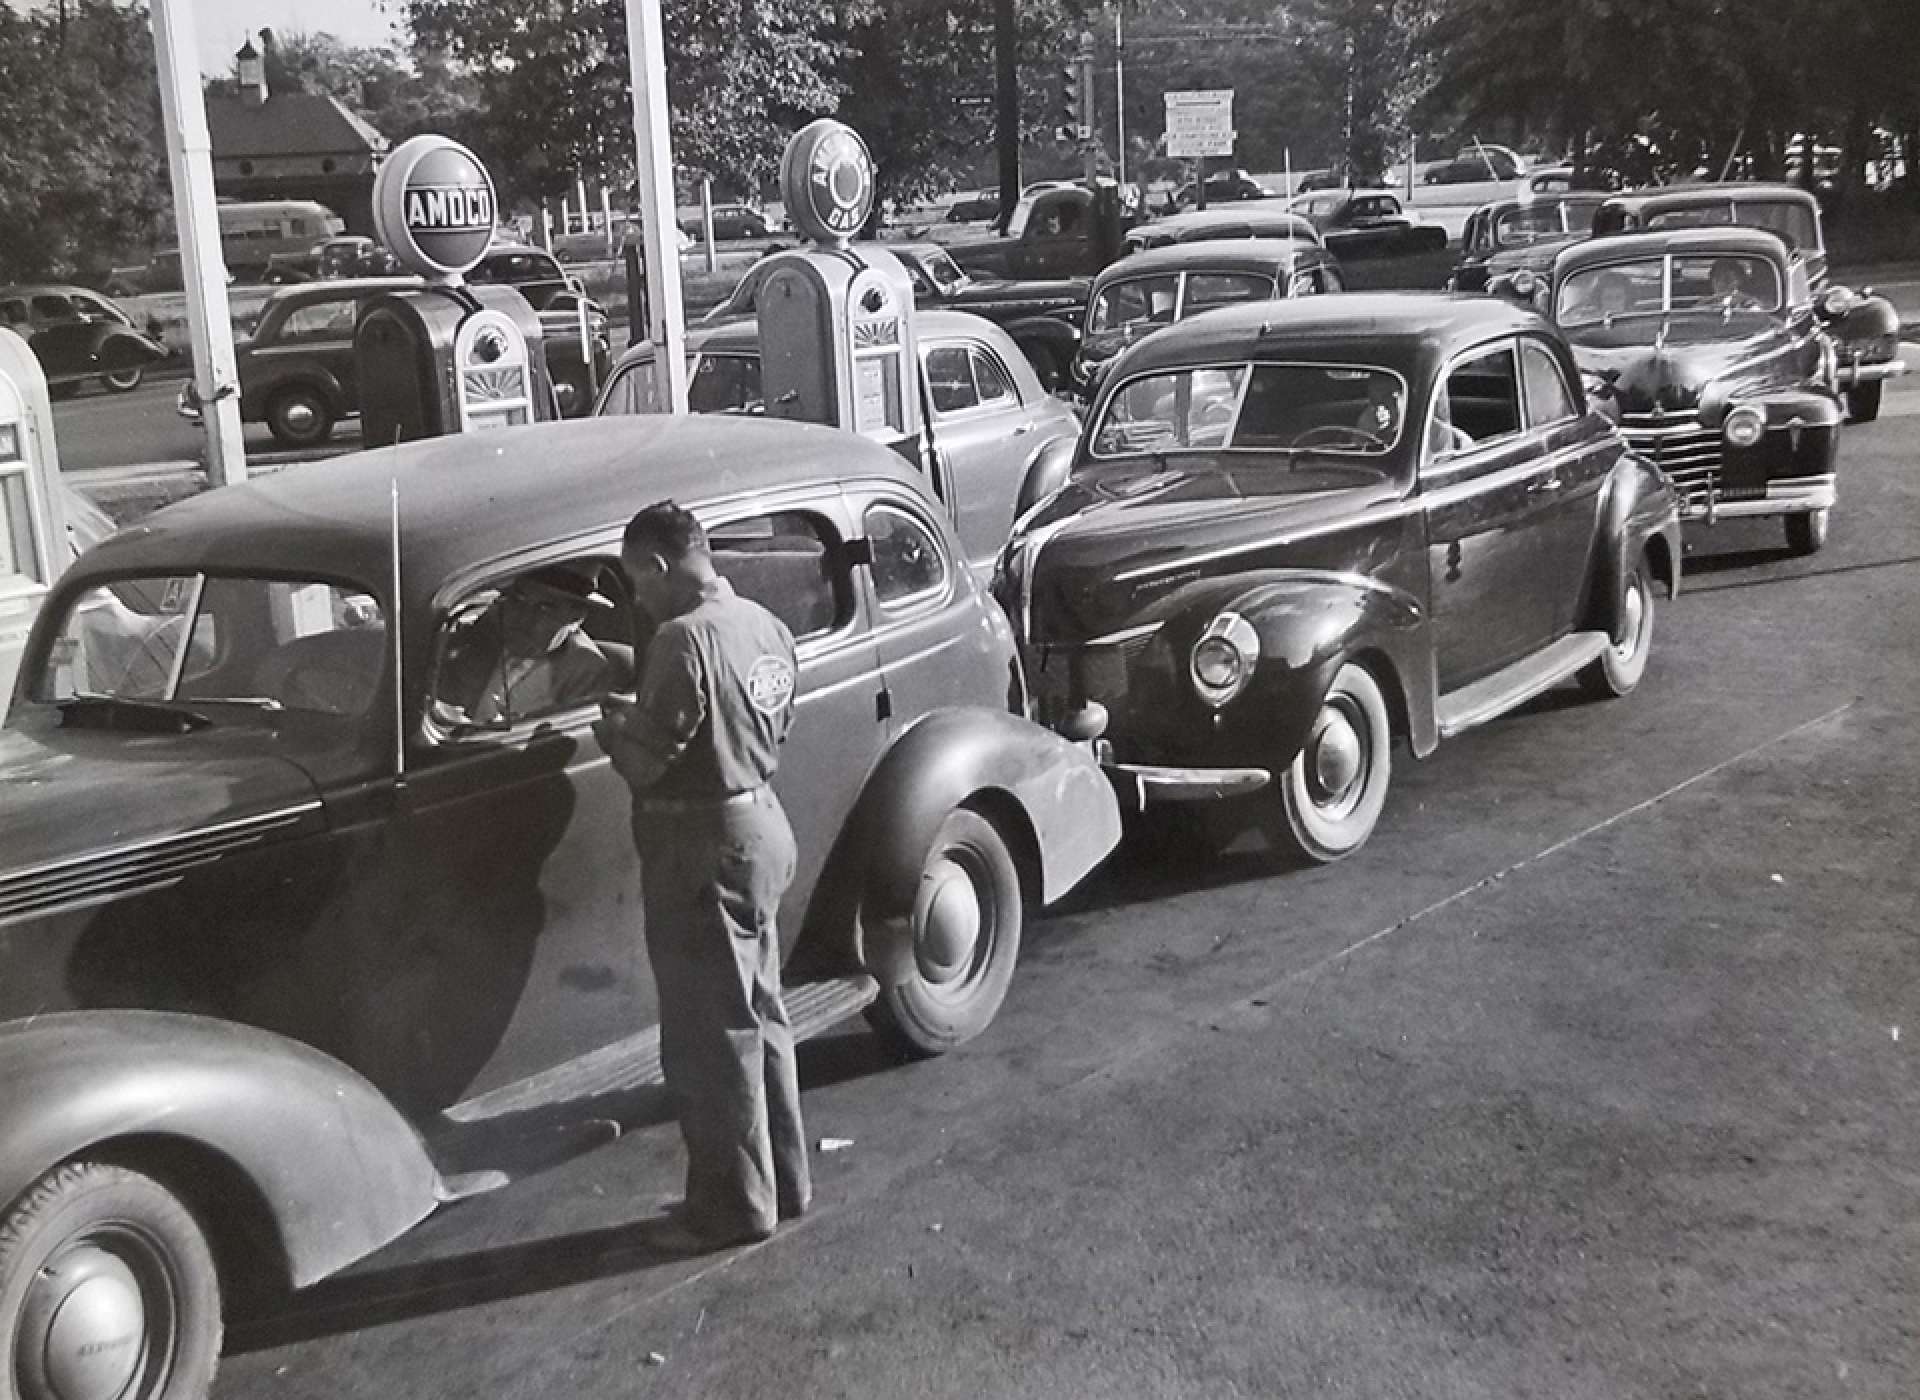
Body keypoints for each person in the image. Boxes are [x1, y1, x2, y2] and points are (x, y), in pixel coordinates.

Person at [592, 501, 808, 1255]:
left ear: (658, 565)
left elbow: (652, 761)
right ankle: (786, 1181)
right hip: (761, 828)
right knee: (762, 1014)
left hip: (701, 848)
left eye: (635, 581)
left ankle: (734, 1210)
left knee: (709, 1038)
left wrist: (610, 729)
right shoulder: (764, 625)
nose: (636, 600)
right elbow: (766, 723)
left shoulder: (681, 641)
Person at [463, 566, 630, 726]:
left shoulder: (585, 671)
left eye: (544, 608)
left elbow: (551, 745)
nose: (523, 617)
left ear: (576, 616)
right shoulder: (485, 633)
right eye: (518, 599)